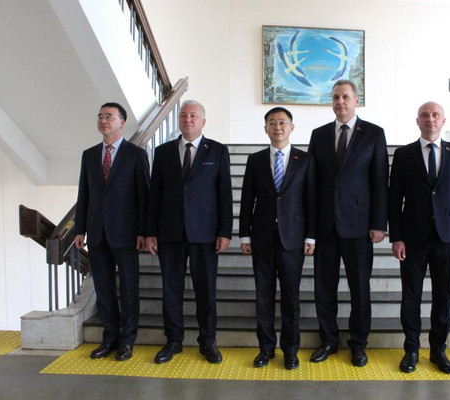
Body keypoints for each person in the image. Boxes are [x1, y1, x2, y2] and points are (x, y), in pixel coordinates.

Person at [307, 80, 389, 367]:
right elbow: (312, 183)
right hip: (325, 226)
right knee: (323, 288)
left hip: (360, 225)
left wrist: (379, 223)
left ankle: (358, 343)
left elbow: (380, 180)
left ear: (356, 100)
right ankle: (329, 340)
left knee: (360, 289)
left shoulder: (374, 134)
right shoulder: (318, 135)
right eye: (335, 97)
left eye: (345, 97)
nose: (340, 101)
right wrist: (310, 229)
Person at [389, 102, 450, 374]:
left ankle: (438, 350)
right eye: (424, 115)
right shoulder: (404, 154)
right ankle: (411, 349)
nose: (430, 119)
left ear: (443, 120)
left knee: (443, 297)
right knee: (411, 296)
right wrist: (396, 237)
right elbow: (394, 199)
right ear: (418, 121)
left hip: (447, 237)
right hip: (412, 238)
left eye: (435, 115)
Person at [145, 100, 233, 365]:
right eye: (184, 115)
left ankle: (208, 341)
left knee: (205, 291)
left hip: (205, 233)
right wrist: (150, 232)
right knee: (171, 289)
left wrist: (225, 231)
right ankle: (173, 341)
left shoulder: (217, 151)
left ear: (203, 121)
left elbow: (224, 193)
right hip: (169, 232)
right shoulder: (163, 152)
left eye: (193, 115)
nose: (188, 119)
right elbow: (155, 195)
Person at [239, 107, 317, 370]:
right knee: (263, 296)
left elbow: (311, 201)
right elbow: (247, 199)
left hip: (292, 238)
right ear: (266, 129)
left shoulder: (305, 160)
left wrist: (311, 236)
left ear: (292, 127)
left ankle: (291, 351)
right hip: (261, 237)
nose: (278, 127)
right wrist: (244, 234)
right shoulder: (255, 160)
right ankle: (266, 348)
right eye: (272, 122)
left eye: (283, 122)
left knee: (290, 298)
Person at [74, 102, 150, 361]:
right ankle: (110, 338)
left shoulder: (136, 155)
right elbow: (84, 195)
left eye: (109, 116)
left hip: (126, 234)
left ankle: (127, 340)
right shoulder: (89, 155)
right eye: (100, 116)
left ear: (122, 122)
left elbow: (143, 196)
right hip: (97, 232)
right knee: (104, 289)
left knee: (129, 289)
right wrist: (80, 229)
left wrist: (143, 231)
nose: (103, 120)